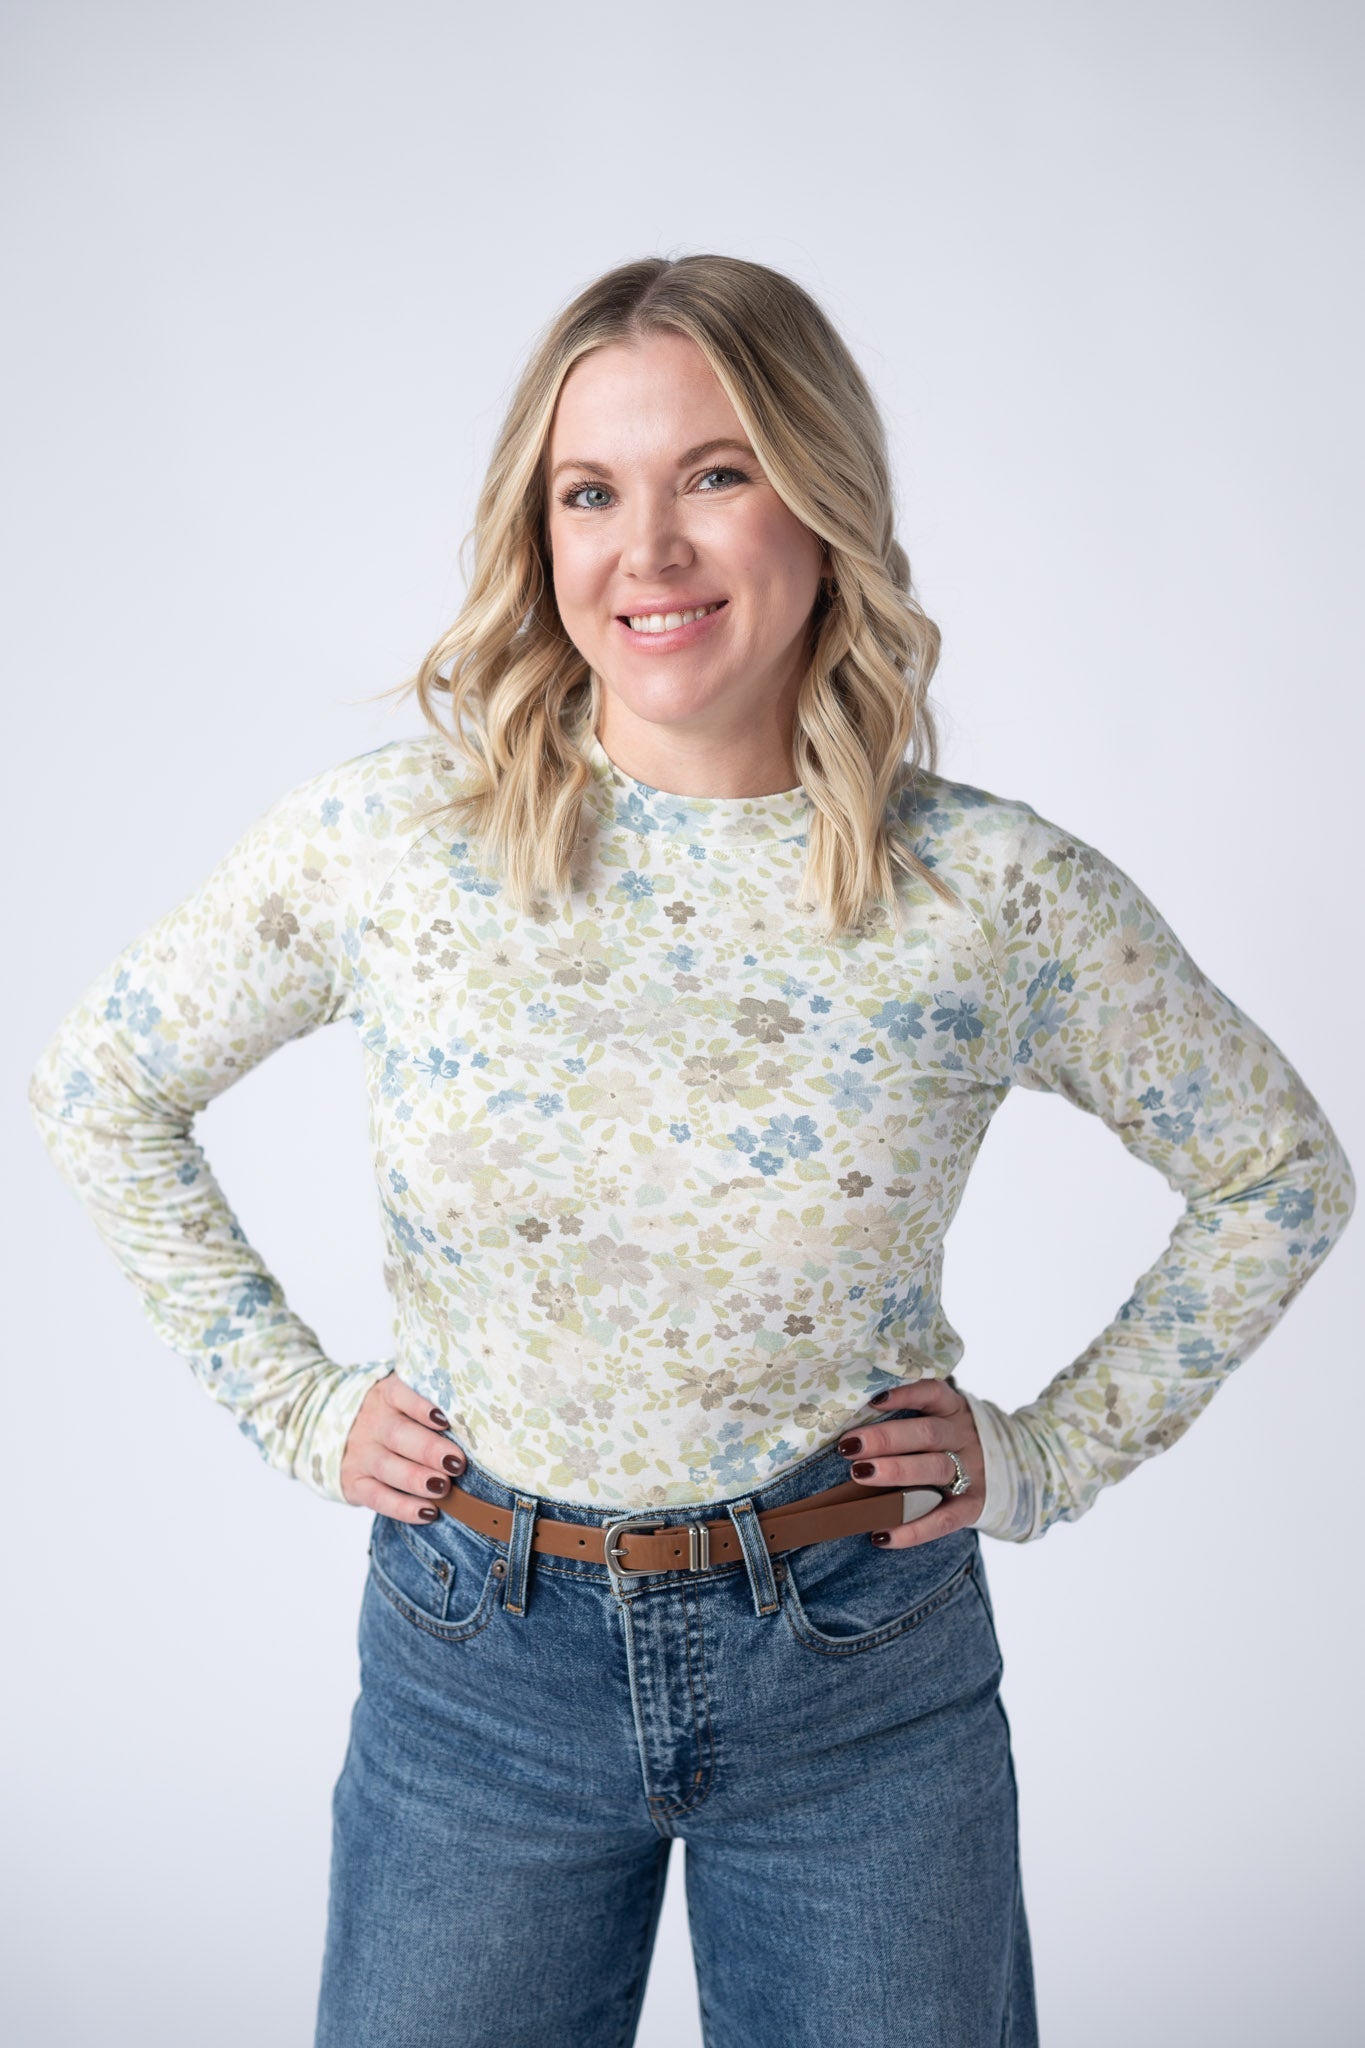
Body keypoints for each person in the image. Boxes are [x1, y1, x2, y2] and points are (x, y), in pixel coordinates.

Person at [28, 253, 1354, 2048]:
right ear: (541, 536)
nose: (645, 550)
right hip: (476, 1664)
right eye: (590, 493)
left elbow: (1276, 1173)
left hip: (859, 1671)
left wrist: (1046, 1452)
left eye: (713, 475)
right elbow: (101, 1083)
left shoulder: (990, 893)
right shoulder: (390, 849)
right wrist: (290, 1401)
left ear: (822, 501)